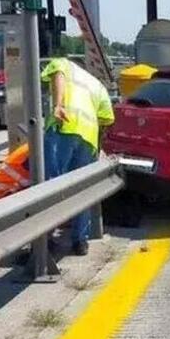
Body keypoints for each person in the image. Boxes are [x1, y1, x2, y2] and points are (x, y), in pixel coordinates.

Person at [42, 57, 114, 255]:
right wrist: (98, 145)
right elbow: (107, 118)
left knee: (50, 187)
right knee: (82, 190)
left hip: (63, 128)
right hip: (89, 138)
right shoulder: (97, 85)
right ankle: (80, 242)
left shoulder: (63, 64)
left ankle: (45, 240)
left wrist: (57, 105)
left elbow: (58, 75)